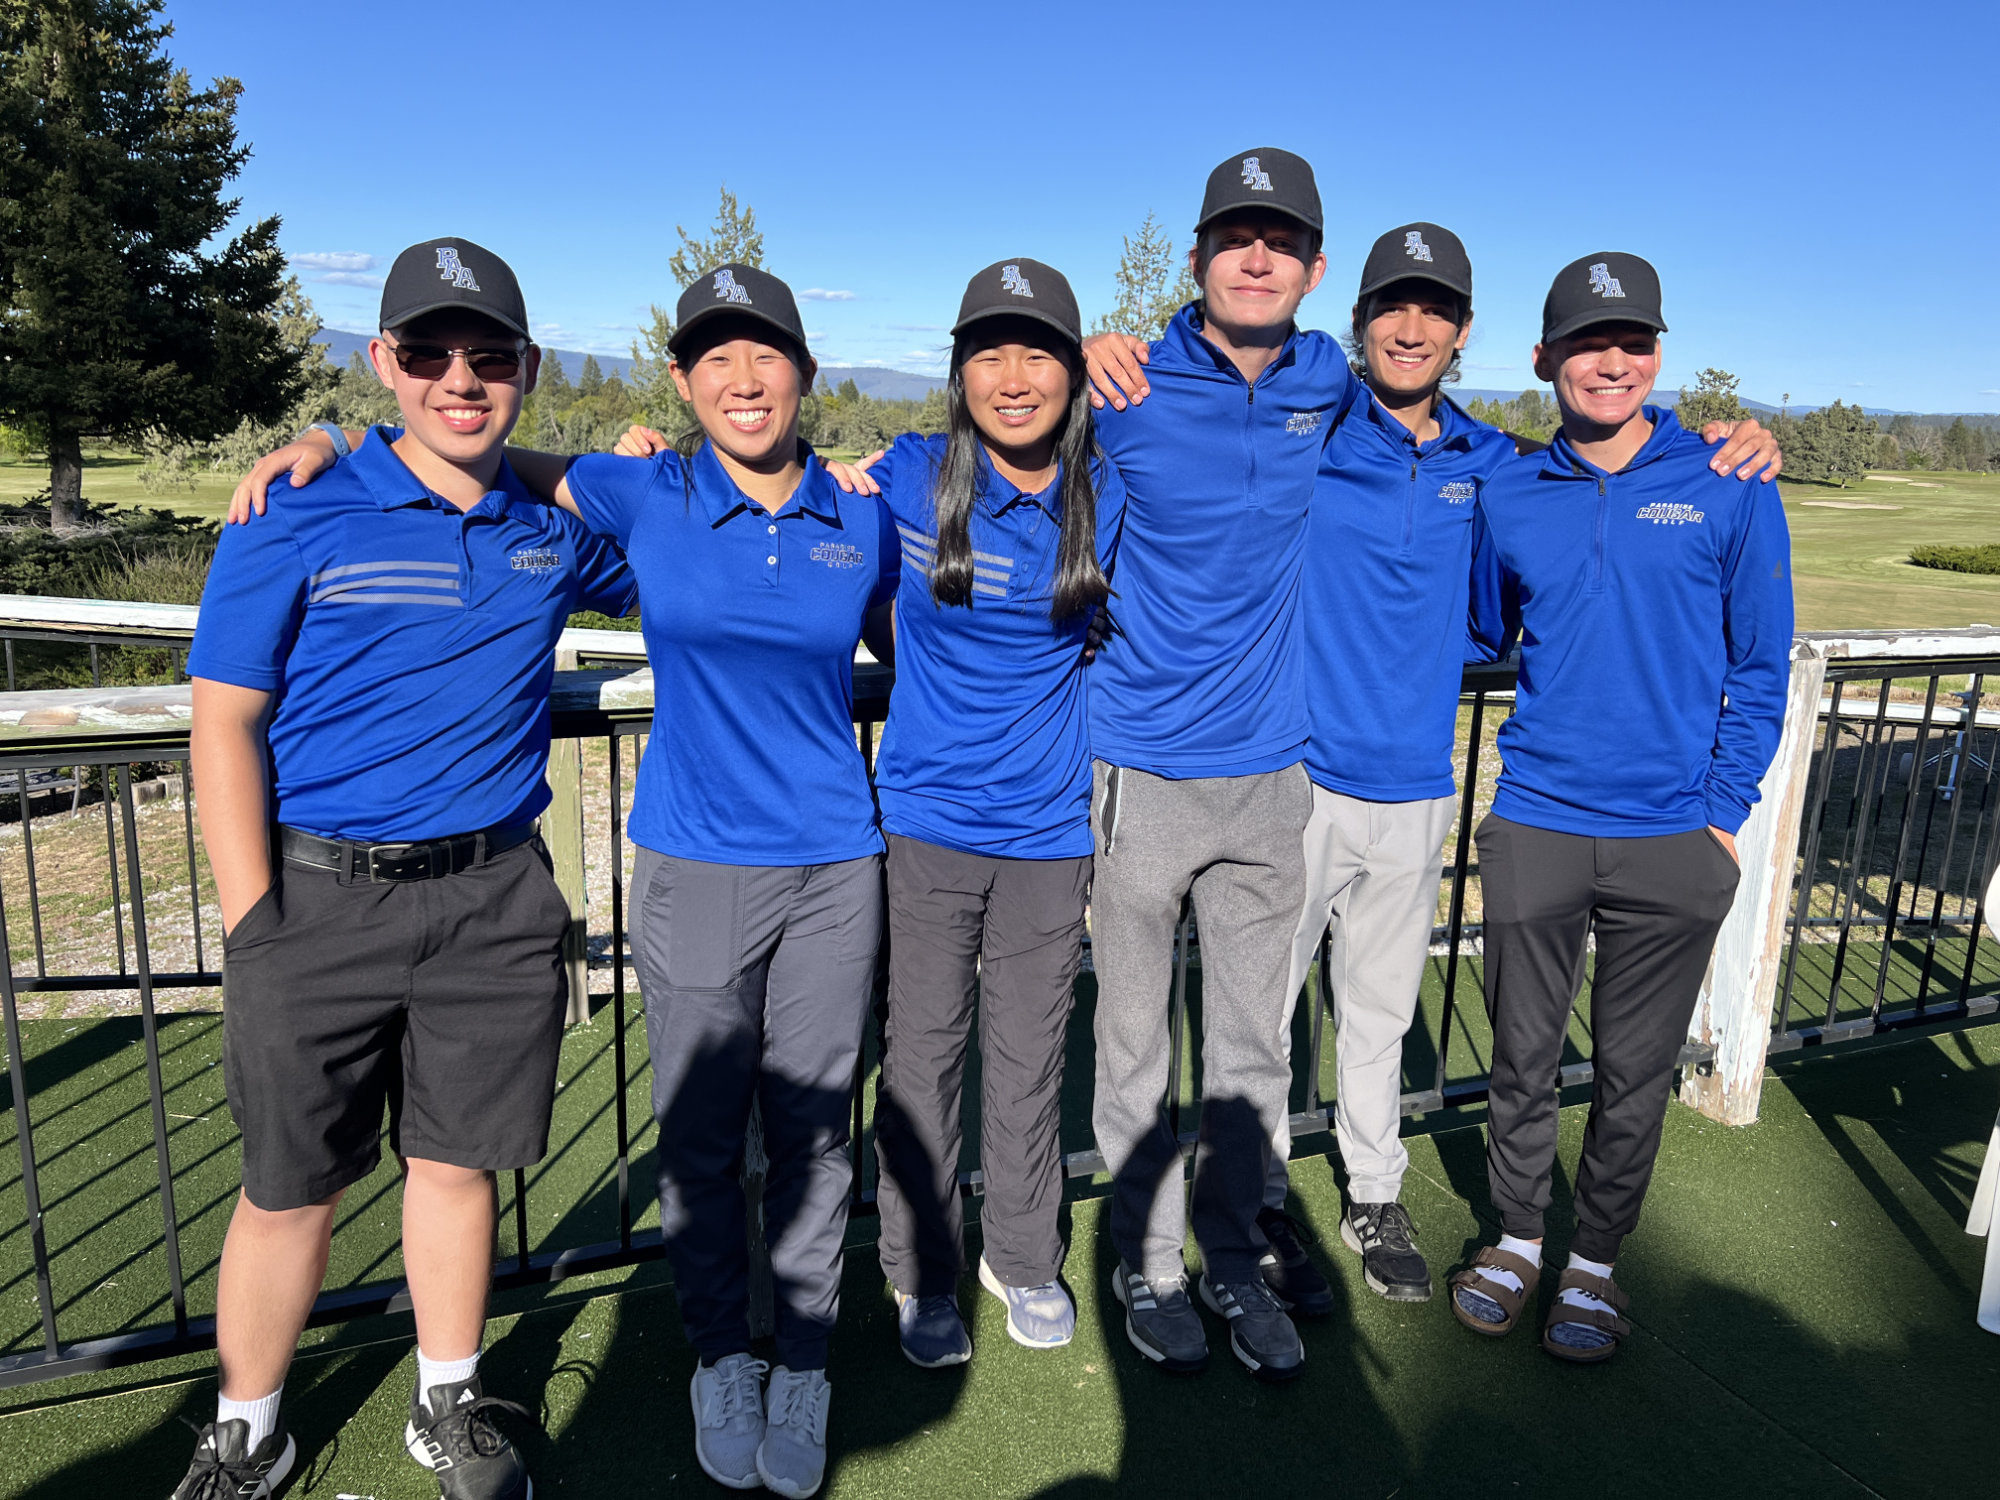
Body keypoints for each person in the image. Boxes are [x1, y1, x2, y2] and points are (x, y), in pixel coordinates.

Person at [232, 264, 895, 1498]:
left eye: (766, 358)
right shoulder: (647, 490)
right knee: (700, 1139)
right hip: (692, 861)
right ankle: (720, 1358)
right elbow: (506, 460)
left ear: (806, 373)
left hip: (833, 864)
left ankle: (799, 1356)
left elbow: (933, 601)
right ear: (683, 383)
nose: (742, 380)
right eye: (713, 360)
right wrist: (331, 435)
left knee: (814, 1136)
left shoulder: (867, 505)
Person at [1085, 223, 1780, 1320]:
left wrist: (1731, 437)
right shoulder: (1310, 424)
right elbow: (1217, 421)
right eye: (1389, 309)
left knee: (1374, 1016)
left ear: (1464, 335)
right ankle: (1259, 1204)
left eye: (1435, 312)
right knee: (1256, 1020)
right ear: (1354, 321)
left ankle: (1373, 1193)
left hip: (1414, 784)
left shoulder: (1492, 467)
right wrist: (1101, 350)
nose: (1410, 329)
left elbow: (1500, 607)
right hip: (1296, 774)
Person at [175, 239, 637, 1500]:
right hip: (314, 898)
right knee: (287, 1188)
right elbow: (224, 717)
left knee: (453, 1167)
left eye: (489, 355)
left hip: (492, 896)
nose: (459, 379)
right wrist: (253, 919)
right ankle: (248, 1426)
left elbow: (681, 542)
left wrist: (582, 464)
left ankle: (447, 1402)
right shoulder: (294, 508)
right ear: (383, 362)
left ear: (527, 369)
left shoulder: (549, 531)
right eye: (427, 352)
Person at [616, 259, 1123, 1372]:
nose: (1012, 376)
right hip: (922, 826)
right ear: (956, 376)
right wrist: (330, 448)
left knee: (1033, 1057)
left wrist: (1141, 356)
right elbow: (805, 505)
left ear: (1073, 371)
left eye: (1037, 352)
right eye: (987, 354)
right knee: (922, 1058)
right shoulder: (901, 479)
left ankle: (1023, 1256)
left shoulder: (1107, 486)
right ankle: (920, 1270)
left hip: (1047, 835)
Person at [1447, 251, 1792, 1362]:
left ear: (1655, 356)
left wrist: (1720, 817)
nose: (1610, 362)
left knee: (1634, 1072)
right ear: (1544, 358)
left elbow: (1760, 663)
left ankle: (1592, 1265)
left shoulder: (1730, 483)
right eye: (1586, 343)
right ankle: (1514, 1238)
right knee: (1520, 1057)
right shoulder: (1507, 491)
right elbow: (1486, 626)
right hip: (1538, 819)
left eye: (1631, 343)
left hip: (1671, 839)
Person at [1079, 147, 1350, 1383]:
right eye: (1234, 236)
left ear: (1313, 267)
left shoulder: (1329, 383)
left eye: (1280, 240)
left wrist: (1719, 434)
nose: (1256, 256)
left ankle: (1232, 1255)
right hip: (1136, 768)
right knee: (1133, 1039)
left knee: (1252, 1048)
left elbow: (1440, 438)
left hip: (1270, 778)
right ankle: (1145, 1261)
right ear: (1196, 257)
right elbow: (990, 460)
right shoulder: (1122, 385)